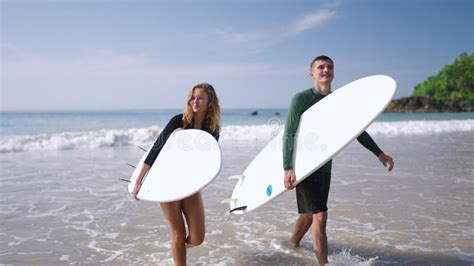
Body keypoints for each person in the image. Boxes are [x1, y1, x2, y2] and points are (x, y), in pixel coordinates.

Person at [282, 55, 394, 265]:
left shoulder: (338, 102)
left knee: (308, 214)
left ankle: (292, 245)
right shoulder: (301, 99)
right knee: (320, 215)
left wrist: (379, 153)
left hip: (325, 166)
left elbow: (357, 131)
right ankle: (323, 263)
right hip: (304, 165)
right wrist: (287, 167)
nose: (326, 70)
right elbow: (288, 133)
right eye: (321, 67)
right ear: (312, 73)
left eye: (330, 67)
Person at [132, 83, 220, 266]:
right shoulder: (178, 121)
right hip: (165, 181)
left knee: (197, 238)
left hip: (189, 183)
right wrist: (139, 181)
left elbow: (206, 161)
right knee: (178, 234)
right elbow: (155, 150)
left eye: (200, 98)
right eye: (193, 97)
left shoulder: (212, 129)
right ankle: (178, 250)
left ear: (210, 101)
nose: (195, 101)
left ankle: (177, 248)